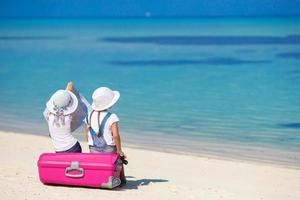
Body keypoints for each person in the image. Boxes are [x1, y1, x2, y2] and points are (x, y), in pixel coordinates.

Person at [85, 87, 126, 185]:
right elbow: (116, 136)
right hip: (109, 149)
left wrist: (90, 144)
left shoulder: (89, 115)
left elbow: (87, 132)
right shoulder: (112, 117)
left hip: (93, 148)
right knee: (119, 158)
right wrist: (119, 150)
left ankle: (97, 176)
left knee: (97, 163)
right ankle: (122, 180)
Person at [44, 82, 82, 153]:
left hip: (59, 149)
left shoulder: (48, 114)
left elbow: (47, 112)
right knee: (75, 164)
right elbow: (70, 85)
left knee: (67, 164)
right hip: (73, 147)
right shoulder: (69, 116)